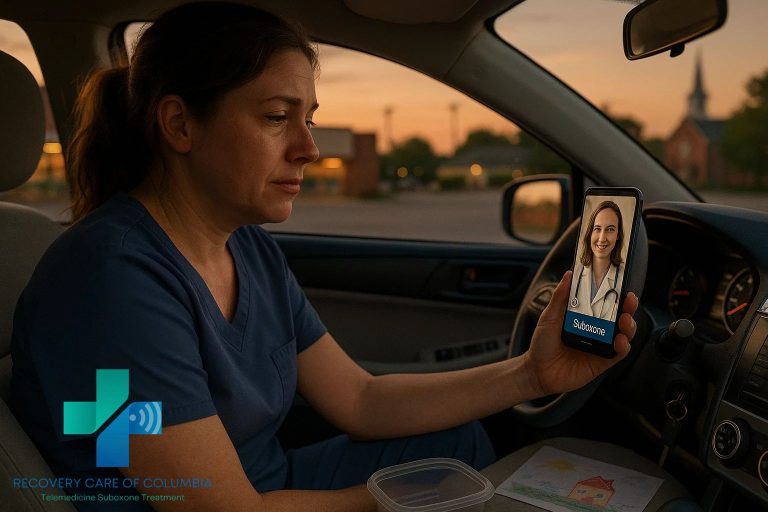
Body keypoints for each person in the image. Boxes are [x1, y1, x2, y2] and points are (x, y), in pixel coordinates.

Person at [9, 3, 638, 510]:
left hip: (267, 485)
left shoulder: (247, 246)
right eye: (278, 117)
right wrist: (401, 499)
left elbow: (360, 400)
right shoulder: (110, 281)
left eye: (308, 118)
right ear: (179, 125)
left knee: (457, 441)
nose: (309, 148)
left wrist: (531, 374)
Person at [569, 201, 626, 321]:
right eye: (597, 229)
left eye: (610, 229)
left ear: (617, 235)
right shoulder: (574, 274)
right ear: (590, 233)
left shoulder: (624, 277)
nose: (602, 238)